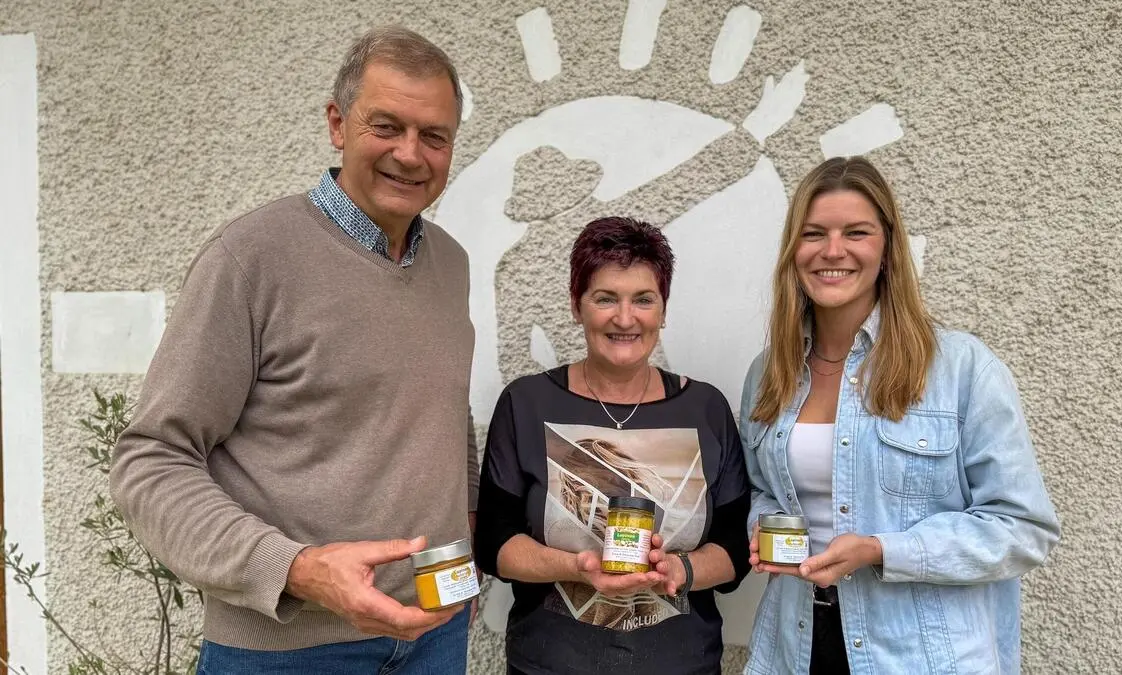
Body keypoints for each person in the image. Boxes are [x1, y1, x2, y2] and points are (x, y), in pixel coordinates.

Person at [109, 25, 478, 673]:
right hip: (288, 653)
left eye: (435, 136)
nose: (411, 154)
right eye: (386, 126)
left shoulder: (451, 265)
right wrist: (301, 569)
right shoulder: (249, 259)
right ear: (338, 124)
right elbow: (151, 462)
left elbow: (441, 421)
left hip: (434, 641)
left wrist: (465, 552)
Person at [740, 156, 1060, 674]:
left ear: (887, 249)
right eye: (813, 233)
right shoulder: (770, 372)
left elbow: (1022, 528)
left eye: (857, 233)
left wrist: (882, 550)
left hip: (919, 656)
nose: (832, 250)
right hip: (794, 647)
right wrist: (763, 527)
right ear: (793, 251)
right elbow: (764, 490)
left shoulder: (961, 368)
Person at [474, 217, 751, 675]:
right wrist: (577, 566)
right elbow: (494, 546)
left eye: (643, 299)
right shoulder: (526, 404)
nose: (625, 318)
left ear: (663, 309)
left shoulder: (706, 409)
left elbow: (736, 548)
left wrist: (681, 569)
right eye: (606, 298)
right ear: (576, 305)